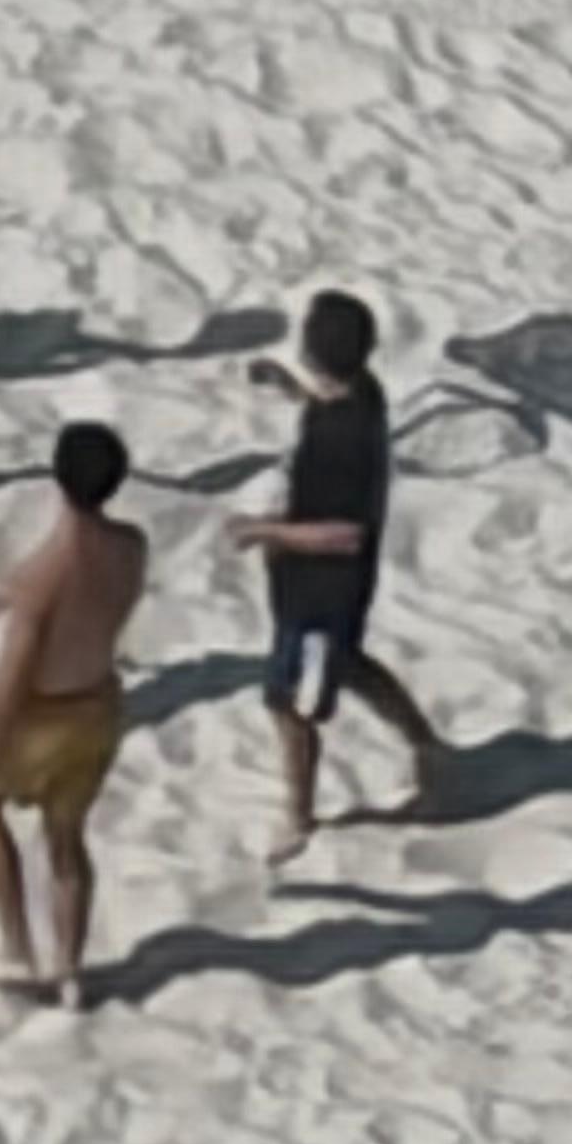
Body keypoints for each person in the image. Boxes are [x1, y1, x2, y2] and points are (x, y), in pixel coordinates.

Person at [230, 289, 444, 861]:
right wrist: (291, 388)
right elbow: (329, 403)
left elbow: (345, 534)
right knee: (350, 663)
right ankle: (424, 742)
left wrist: (263, 531)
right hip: (340, 587)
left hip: (318, 593)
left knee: (287, 704)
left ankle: (298, 817)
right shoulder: (364, 394)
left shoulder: (337, 440)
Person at [0, 424, 147, 1006]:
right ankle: (69, 968)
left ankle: (18, 947)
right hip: (99, 706)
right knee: (67, 838)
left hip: (43, 714)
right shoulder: (131, 546)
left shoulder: (45, 576)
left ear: (55, 478)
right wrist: (6, 597)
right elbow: (64, 579)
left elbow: (12, 674)